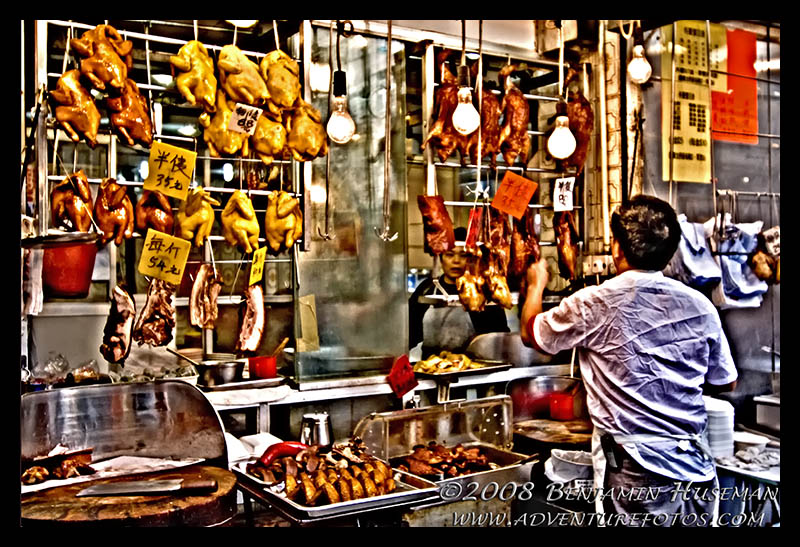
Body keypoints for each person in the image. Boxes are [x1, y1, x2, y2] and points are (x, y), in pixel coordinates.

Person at [519, 195, 738, 527]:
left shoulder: (593, 302)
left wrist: (536, 285)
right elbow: (726, 381)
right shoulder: (701, 305)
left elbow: (532, 335)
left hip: (633, 471)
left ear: (617, 249)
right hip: (694, 467)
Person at [409, 227, 509, 357]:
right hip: (432, 368)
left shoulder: (483, 291)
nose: (456, 261)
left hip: (475, 369)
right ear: (441, 258)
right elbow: (410, 333)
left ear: (472, 259)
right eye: (450, 254)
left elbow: (499, 337)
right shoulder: (426, 289)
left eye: (464, 255)